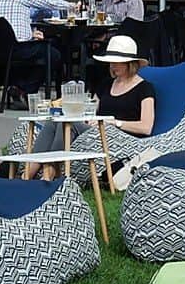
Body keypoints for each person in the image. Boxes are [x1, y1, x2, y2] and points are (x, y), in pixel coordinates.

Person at [25, 35, 155, 180]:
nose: (113, 65)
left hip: (122, 138)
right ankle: (27, 175)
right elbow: (90, 109)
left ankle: (49, 175)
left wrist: (114, 122)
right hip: (97, 132)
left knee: (69, 124)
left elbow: (146, 127)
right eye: (111, 61)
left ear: (130, 63)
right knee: (55, 121)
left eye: (117, 62)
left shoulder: (144, 88)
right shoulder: (106, 84)